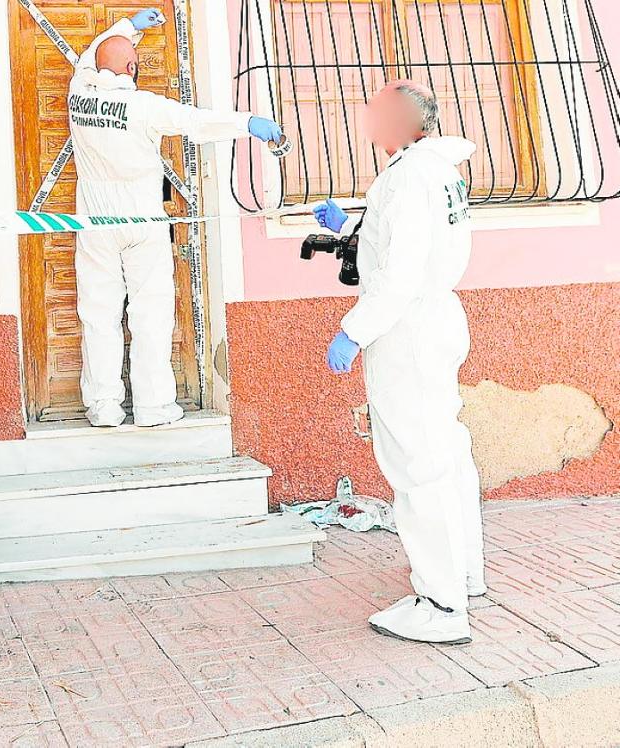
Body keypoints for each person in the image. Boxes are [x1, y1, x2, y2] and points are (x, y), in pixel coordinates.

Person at [314, 80, 485, 644]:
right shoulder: (436, 169)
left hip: (407, 328)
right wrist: (348, 228)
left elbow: (402, 271)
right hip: (433, 320)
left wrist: (353, 330)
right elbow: (405, 242)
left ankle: (439, 606)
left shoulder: (409, 175)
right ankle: (463, 575)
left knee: (417, 466)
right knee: (446, 452)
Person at [67, 8, 283, 427]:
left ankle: (104, 405)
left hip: (95, 222)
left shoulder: (79, 91)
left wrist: (129, 26)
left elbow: (92, 55)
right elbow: (196, 123)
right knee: (150, 312)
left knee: (98, 313)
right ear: (133, 69)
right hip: (142, 222)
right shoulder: (144, 106)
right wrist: (248, 123)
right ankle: (152, 405)